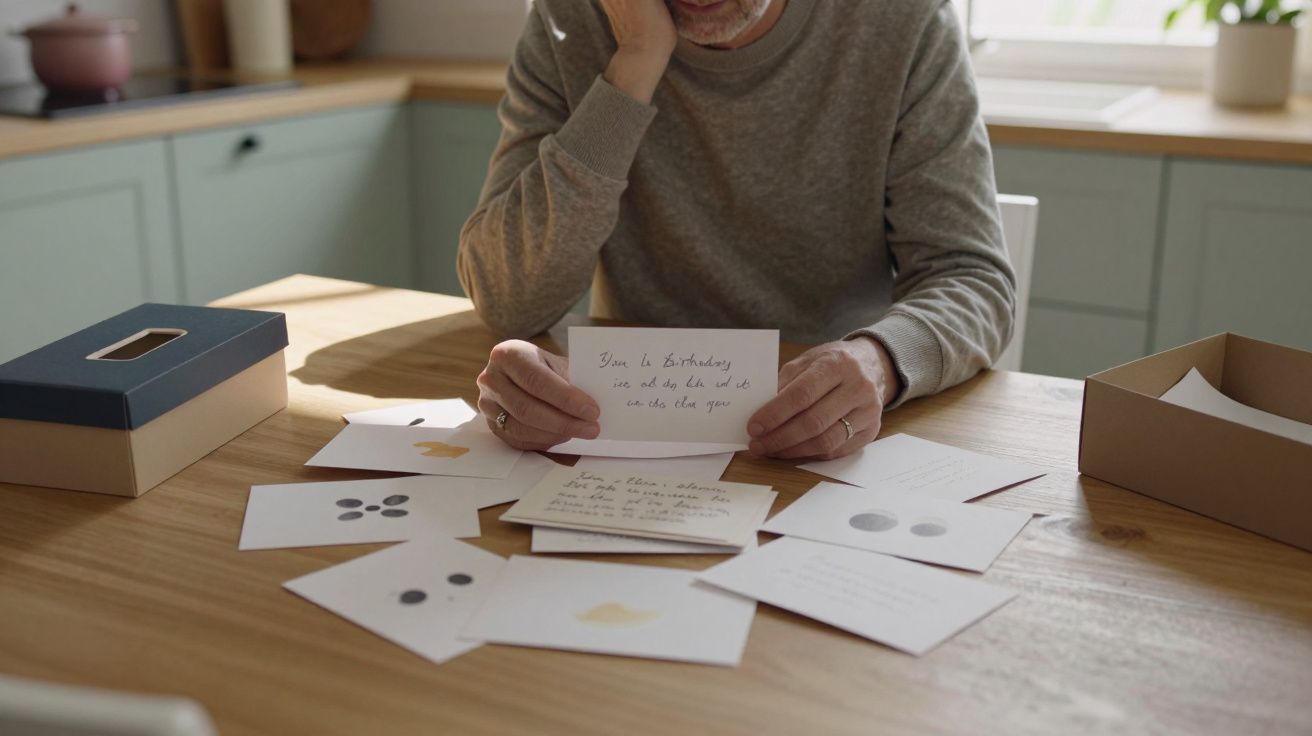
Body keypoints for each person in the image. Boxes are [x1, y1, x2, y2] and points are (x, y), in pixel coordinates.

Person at [460, 0, 1015, 460]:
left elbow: (972, 278)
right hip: (626, 433)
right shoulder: (573, 18)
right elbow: (509, 298)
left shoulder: (903, 19)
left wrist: (880, 362)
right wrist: (636, 61)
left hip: (830, 437)